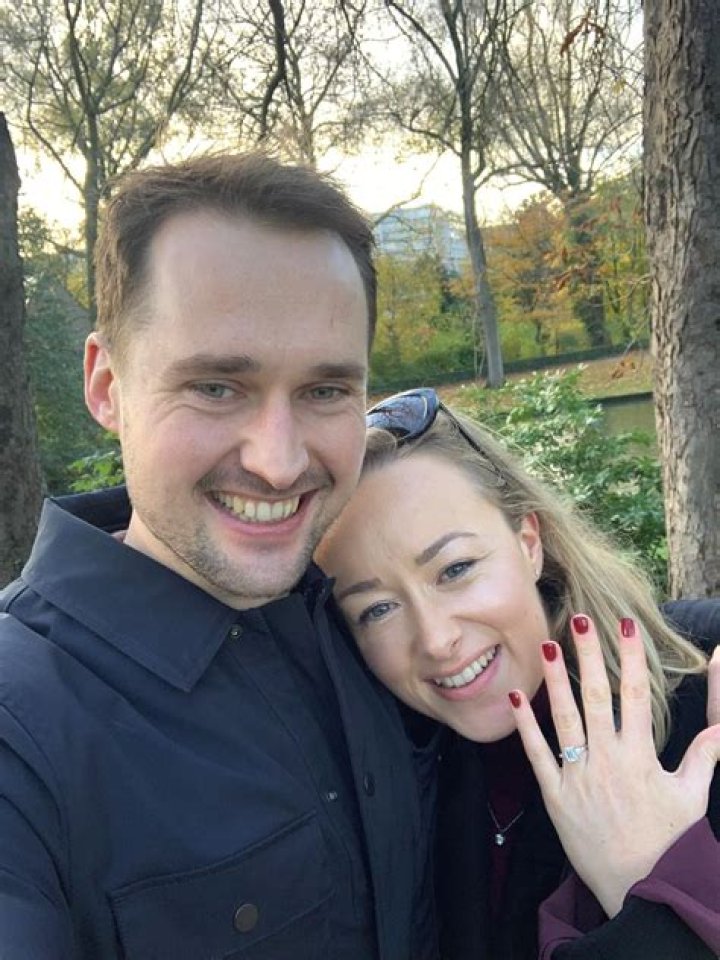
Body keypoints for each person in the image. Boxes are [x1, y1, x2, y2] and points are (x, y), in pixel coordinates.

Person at [0, 158, 438, 959]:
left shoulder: (365, 605)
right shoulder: (19, 737)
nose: (278, 462)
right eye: (215, 388)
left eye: (325, 391)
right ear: (106, 385)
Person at [315, 387, 720, 960]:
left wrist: (653, 880)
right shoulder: (402, 779)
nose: (436, 639)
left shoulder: (699, 699)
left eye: (455, 569)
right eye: (377, 609)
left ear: (528, 543)